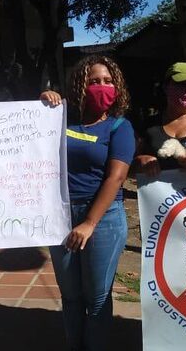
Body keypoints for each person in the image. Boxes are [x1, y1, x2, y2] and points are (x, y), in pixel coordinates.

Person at [40, 55, 135, 350]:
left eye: (108, 81)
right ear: (81, 84)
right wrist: (42, 104)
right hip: (62, 216)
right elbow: (32, 139)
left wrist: (89, 223)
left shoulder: (120, 127)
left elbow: (116, 177)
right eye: (94, 81)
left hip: (102, 220)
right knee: (70, 296)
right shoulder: (60, 118)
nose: (102, 86)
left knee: (96, 299)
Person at [134, 62, 186, 176]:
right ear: (166, 87)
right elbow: (128, 165)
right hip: (161, 193)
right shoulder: (149, 125)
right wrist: (140, 161)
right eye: (181, 84)